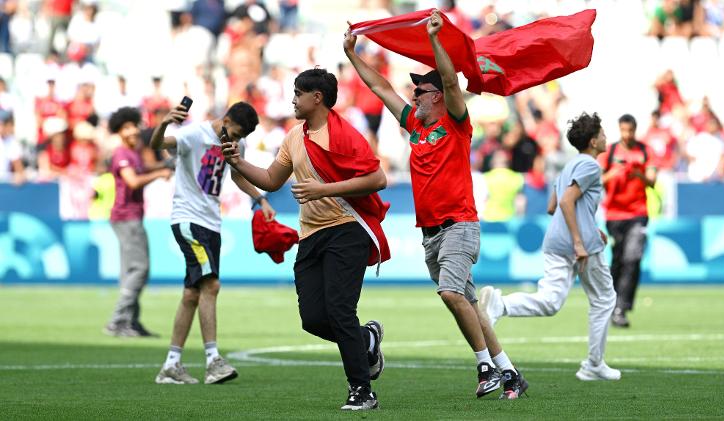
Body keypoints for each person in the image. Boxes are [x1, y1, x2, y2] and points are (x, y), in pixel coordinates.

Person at [344, 10, 527, 400]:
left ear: (439, 96)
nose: (414, 96)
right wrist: (353, 55)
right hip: (431, 233)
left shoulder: (458, 122)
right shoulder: (415, 125)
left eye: (420, 92)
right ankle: (509, 372)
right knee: (470, 305)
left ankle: (483, 367)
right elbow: (381, 89)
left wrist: (434, 40)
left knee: (450, 294)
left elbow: (448, 79)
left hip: (459, 223)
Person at [222, 68, 389, 411]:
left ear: (317, 98)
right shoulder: (293, 137)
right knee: (312, 318)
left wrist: (323, 189)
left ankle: (362, 391)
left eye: (298, 93)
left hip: (348, 228)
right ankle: (366, 340)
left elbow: (378, 178)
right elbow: (270, 179)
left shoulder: (344, 134)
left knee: (341, 310)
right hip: (311, 234)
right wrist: (238, 162)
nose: (292, 99)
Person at [479, 112, 621, 382]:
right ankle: (593, 364)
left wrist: (592, 228)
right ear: (593, 141)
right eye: (602, 133)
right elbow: (567, 202)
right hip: (579, 244)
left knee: (550, 301)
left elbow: (551, 206)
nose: (606, 138)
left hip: (556, 240)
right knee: (604, 300)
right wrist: (580, 241)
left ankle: (501, 304)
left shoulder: (568, 165)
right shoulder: (590, 166)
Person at [150, 101, 276, 384]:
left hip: (211, 223)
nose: (236, 141)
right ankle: (213, 361)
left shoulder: (234, 144)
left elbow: (237, 176)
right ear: (226, 120)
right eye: (234, 134)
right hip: (188, 219)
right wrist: (163, 122)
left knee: (192, 294)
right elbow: (157, 143)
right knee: (211, 285)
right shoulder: (194, 134)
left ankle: (171, 364)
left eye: (241, 138)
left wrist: (261, 199)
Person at [104, 107, 172, 337]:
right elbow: (133, 181)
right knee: (140, 269)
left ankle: (131, 321)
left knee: (130, 271)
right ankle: (118, 320)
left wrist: (164, 166)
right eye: (126, 127)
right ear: (119, 131)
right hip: (126, 217)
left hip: (130, 217)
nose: (132, 130)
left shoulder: (133, 152)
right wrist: (159, 174)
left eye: (134, 125)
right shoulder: (122, 154)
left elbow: (144, 168)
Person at [599, 114, 657, 327]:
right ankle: (612, 304)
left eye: (630, 131)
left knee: (633, 258)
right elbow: (596, 179)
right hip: (614, 214)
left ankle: (622, 307)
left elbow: (652, 181)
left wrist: (638, 174)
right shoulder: (610, 151)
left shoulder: (645, 151)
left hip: (638, 212)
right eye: (624, 130)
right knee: (618, 259)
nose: (627, 135)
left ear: (635, 129)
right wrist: (613, 173)